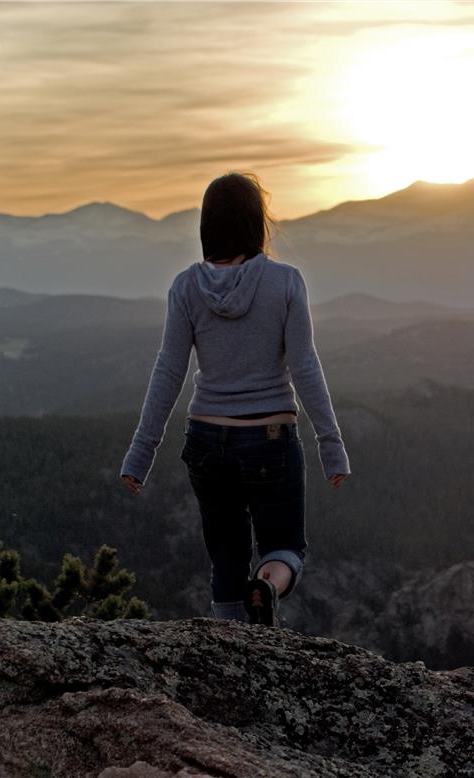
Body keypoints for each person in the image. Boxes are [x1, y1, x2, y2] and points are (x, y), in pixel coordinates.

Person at [119, 171, 350, 626]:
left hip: (206, 441)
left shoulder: (185, 287)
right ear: (255, 223)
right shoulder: (286, 282)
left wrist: (139, 454)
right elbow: (305, 367)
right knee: (285, 547)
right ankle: (266, 585)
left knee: (225, 556)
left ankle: (226, 651)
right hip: (269, 437)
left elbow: (169, 371)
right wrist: (331, 444)